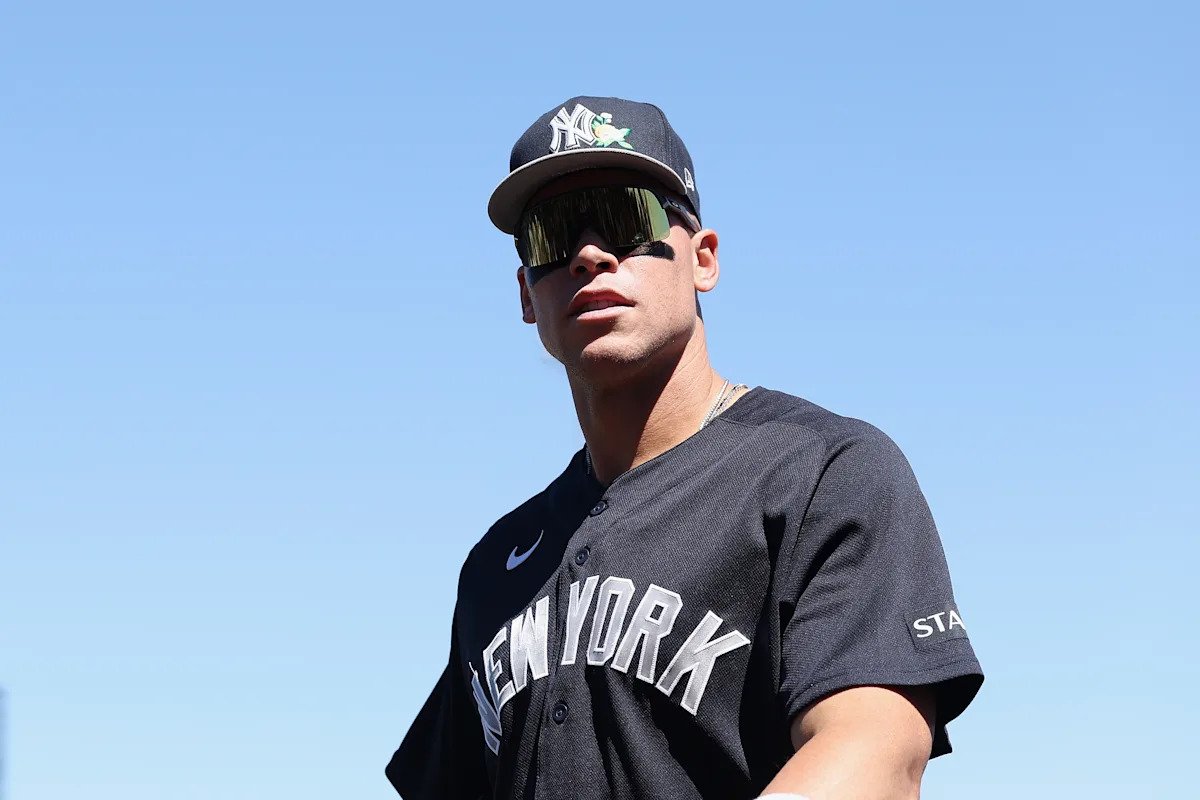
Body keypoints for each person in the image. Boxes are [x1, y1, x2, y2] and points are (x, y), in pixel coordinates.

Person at [385, 95, 983, 800]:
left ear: (703, 259)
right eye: (552, 235)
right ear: (526, 294)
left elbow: (876, 751)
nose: (588, 254)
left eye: (625, 219)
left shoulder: (823, 472)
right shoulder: (497, 564)